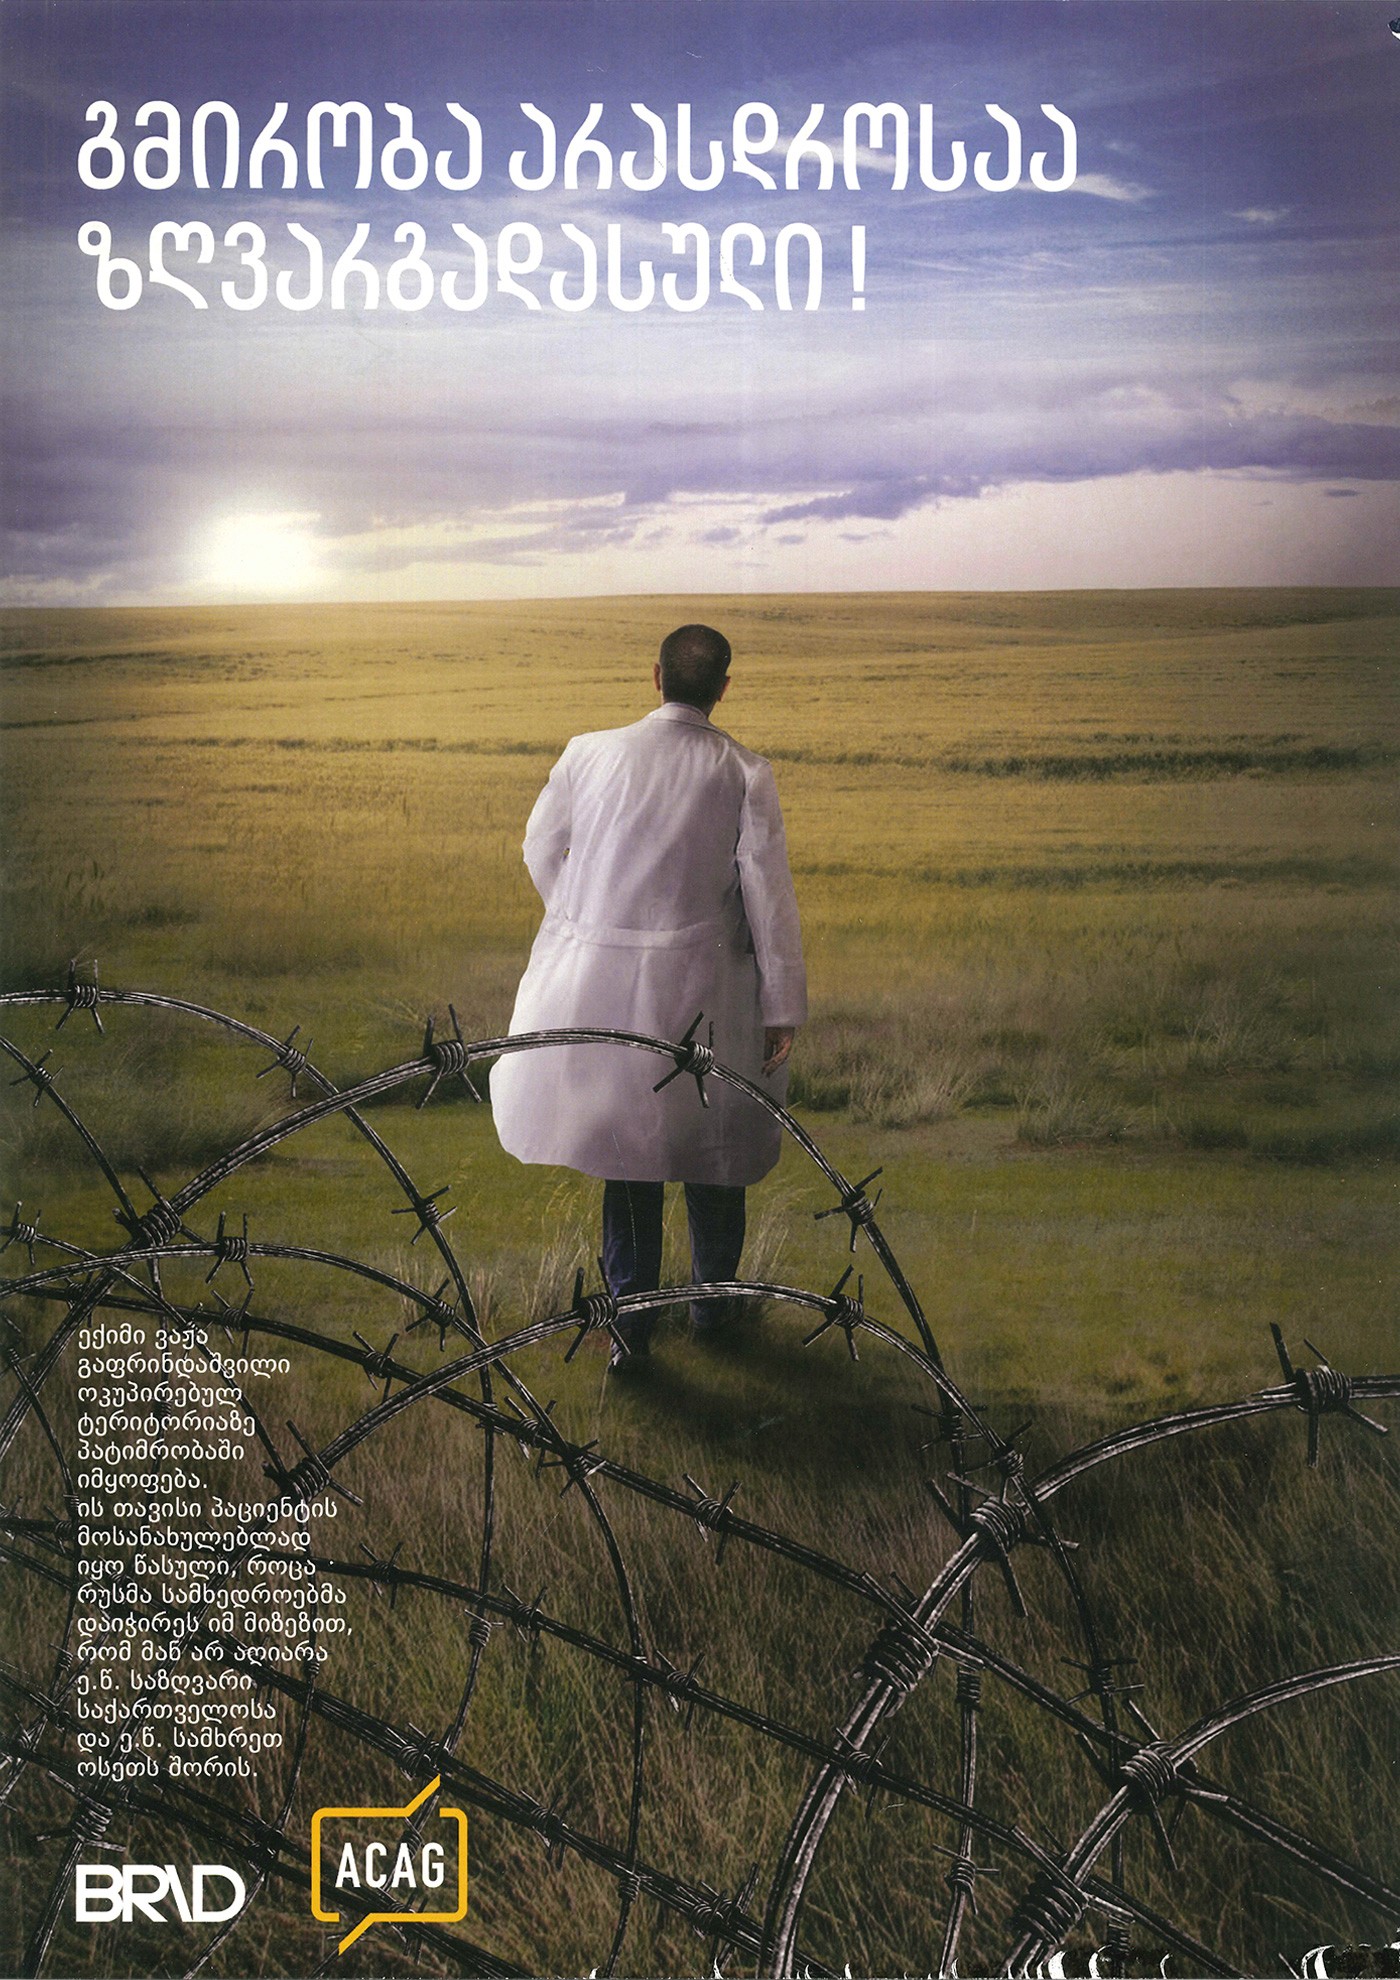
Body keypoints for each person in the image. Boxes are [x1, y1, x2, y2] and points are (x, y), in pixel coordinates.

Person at [490, 623, 807, 1366]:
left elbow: (539, 846)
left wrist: (584, 920)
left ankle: (629, 1325)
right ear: (723, 687)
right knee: (713, 1142)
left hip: (600, 979)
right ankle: (712, 1310)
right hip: (712, 988)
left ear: (655, 677)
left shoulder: (588, 750)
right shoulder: (744, 771)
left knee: (625, 1144)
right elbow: (769, 896)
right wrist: (782, 1004)